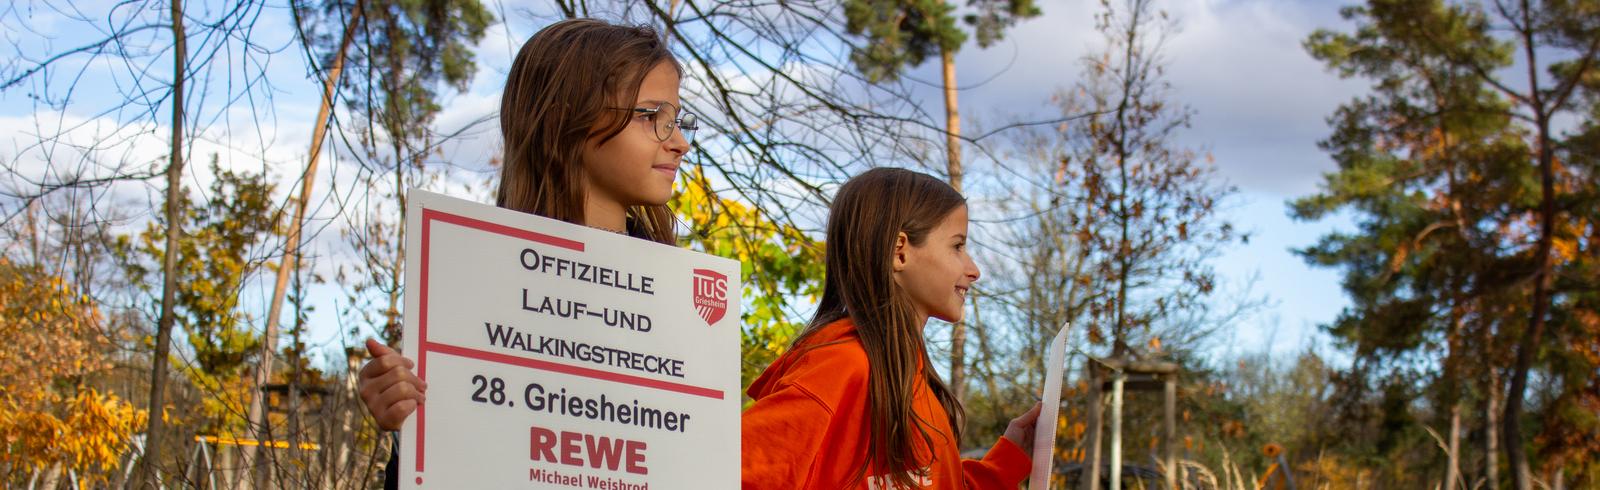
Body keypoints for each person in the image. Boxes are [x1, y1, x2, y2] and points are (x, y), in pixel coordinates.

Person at [353, 18, 695, 488]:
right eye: (651, 116)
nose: (678, 142)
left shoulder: (679, 305)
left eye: (678, 120)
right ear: (564, 119)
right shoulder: (471, 286)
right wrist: (405, 428)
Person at [740, 167, 1042, 489]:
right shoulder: (842, 367)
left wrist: (1005, 464)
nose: (974, 270)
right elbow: (726, 473)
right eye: (957, 246)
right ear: (900, 251)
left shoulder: (907, 373)